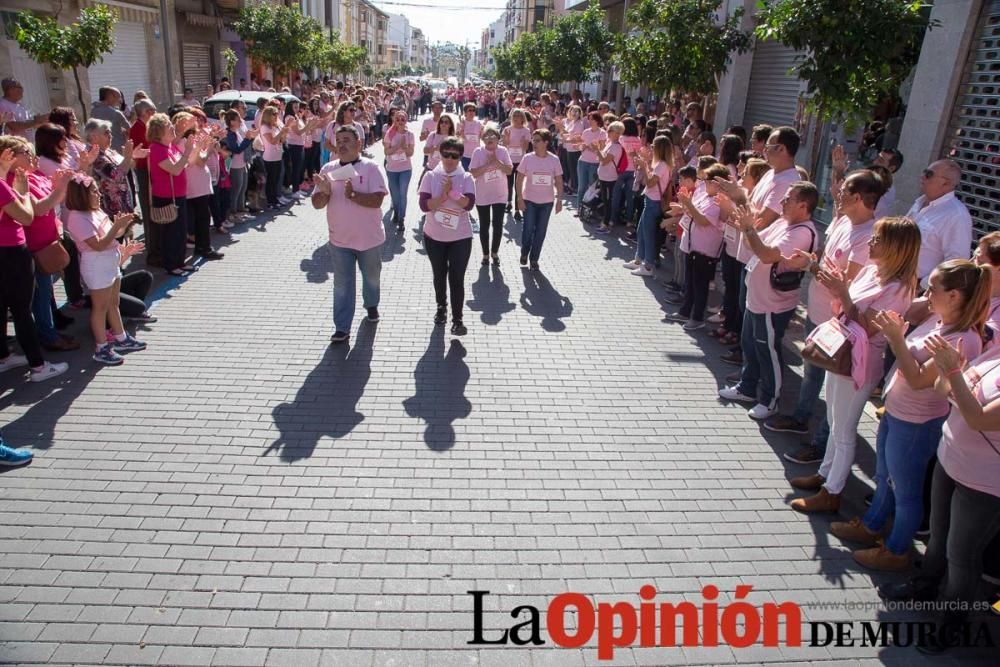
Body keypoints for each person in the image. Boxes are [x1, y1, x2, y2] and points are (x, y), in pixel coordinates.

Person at [806, 261, 986, 544]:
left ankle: (896, 550)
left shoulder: (962, 338)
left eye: (933, 290)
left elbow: (917, 379)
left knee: (905, 492)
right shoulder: (938, 323)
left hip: (916, 422)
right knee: (885, 477)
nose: (927, 295)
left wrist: (896, 339)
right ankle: (872, 526)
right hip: (898, 412)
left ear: (954, 296)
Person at [787, 216, 921, 516]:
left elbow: (867, 327)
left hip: (860, 362)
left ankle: (832, 492)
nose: (871, 243)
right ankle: (825, 475)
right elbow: (844, 310)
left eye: (878, 239)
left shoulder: (899, 287)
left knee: (844, 430)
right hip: (841, 353)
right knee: (834, 422)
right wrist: (836, 287)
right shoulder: (872, 271)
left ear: (896, 247)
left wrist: (843, 293)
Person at [764, 171, 882, 457]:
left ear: (857, 197)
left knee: (834, 390)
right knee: (812, 373)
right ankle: (801, 417)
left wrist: (811, 266)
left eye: (843, 191)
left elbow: (846, 285)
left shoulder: (870, 236)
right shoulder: (843, 220)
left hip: (841, 325)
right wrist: (814, 262)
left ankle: (821, 445)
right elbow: (826, 258)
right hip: (818, 314)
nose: (836, 194)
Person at [719, 182, 818, 420]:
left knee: (767, 352)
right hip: (757, 299)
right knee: (750, 346)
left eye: (788, 199)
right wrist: (746, 228)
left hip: (773, 304)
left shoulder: (803, 232)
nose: (782, 203)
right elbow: (756, 241)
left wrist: (749, 230)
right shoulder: (784, 223)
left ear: (803, 206)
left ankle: (770, 400)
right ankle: (746, 388)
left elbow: (766, 254)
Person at [311, 125, 387, 345]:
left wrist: (353, 195)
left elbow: (377, 201)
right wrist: (324, 192)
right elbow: (317, 204)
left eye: (347, 139)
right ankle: (342, 327)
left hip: (369, 240)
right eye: (339, 140)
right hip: (339, 240)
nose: (342, 144)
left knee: (371, 279)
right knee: (342, 284)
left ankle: (371, 304)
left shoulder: (371, 168)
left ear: (359, 144)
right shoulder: (328, 168)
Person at [63, 175, 146, 365]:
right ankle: (101, 348)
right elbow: (98, 245)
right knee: (100, 308)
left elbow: (112, 236)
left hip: (110, 260)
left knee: (113, 303)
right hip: (96, 264)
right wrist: (116, 227)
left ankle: (121, 337)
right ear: (81, 194)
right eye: (93, 191)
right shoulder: (77, 217)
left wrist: (122, 227)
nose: (98, 194)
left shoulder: (96, 211)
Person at [10, 136, 77, 353]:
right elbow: (39, 208)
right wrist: (61, 189)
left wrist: (58, 189)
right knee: (40, 295)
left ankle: (49, 330)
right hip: (33, 247)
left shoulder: (35, 174)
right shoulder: (15, 180)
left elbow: (50, 200)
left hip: (47, 241)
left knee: (46, 292)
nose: (30, 155)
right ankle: (47, 336)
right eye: (24, 152)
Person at [418, 136, 476, 335]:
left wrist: (452, 193)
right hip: (434, 236)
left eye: (455, 156)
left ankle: (458, 319)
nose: (450, 159)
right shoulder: (431, 177)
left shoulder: (466, 177)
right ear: (440, 155)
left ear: (460, 157)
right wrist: (442, 196)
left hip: (460, 237)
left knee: (457, 278)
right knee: (439, 274)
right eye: (446, 155)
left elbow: (468, 204)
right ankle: (441, 307)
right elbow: (424, 206)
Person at [664, 163, 730, 327]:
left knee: (700, 286)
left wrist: (689, 205)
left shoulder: (718, 201)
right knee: (690, 282)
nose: (703, 183)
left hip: (705, 250)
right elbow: (692, 213)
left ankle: (697, 318)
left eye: (707, 180)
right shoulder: (705, 196)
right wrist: (683, 206)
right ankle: (685, 312)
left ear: (717, 183)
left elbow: (702, 220)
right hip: (692, 246)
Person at [146, 112, 202, 276]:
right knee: (171, 232)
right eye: (168, 127)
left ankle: (180, 262)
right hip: (166, 196)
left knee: (180, 230)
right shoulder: (157, 149)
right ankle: (171, 265)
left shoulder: (169, 146)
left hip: (178, 194)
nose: (172, 128)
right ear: (159, 131)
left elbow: (184, 162)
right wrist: (187, 152)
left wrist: (193, 145)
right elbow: (176, 169)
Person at [905, 159, 972, 289]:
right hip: (895, 279)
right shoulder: (920, 202)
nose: (922, 176)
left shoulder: (957, 215)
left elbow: (956, 262)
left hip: (916, 287)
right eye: (924, 172)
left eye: (929, 174)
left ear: (946, 183)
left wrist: (923, 285)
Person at [625, 135, 673, 277]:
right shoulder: (660, 164)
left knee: (648, 234)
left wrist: (644, 167)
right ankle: (639, 259)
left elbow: (650, 182)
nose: (651, 148)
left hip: (654, 202)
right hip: (651, 200)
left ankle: (648, 265)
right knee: (641, 231)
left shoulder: (662, 165)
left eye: (654, 147)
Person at [515, 129, 563, 271]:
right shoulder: (527, 158)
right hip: (529, 200)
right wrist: (519, 198)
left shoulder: (554, 159)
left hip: (546, 203)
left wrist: (559, 199)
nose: (534, 143)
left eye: (537, 140)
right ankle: (524, 252)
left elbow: (559, 180)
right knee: (528, 229)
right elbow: (519, 179)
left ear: (546, 142)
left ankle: (534, 259)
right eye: (533, 140)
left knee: (540, 232)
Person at [468, 126, 512, 265]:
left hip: (500, 194)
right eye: (486, 136)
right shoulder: (478, 152)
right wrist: (487, 165)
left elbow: (509, 170)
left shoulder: (503, 151)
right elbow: (473, 173)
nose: (489, 138)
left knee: (498, 224)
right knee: (484, 225)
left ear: (498, 139)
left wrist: (497, 162)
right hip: (483, 194)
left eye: (493, 135)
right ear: (483, 139)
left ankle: (495, 253)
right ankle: (485, 254)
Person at [129, 99, 159, 265]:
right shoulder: (138, 128)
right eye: (152, 111)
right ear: (146, 112)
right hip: (144, 170)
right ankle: (151, 244)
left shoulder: (144, 126)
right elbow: (140, 151)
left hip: (151, 169)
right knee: (148, 208)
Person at [383, 109, 414, 233]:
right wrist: (397, 146)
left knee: (403, 194)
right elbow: (386, 152)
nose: (400, 121)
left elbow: (411, 153)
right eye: (398, 119)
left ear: (406, 120)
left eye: (403, 119)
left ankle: (401, 219)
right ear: (394, 121)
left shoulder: (410, 134)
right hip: (392, 169)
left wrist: (405, 147)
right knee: (395, 195)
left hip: (405, 169)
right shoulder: (389, 134)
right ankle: (396, 211)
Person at [223, 109, 258, 220]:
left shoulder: (236, 132)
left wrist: (249, 137)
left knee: (243, 188)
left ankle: (241, 209)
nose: (241, 122)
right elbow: (236, 149)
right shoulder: (230, 134)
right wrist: (247, 139)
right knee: (236, 190)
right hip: (235, 166)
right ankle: (234, 212)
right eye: (238, 120)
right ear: (232, 122)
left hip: (242, 164)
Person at [501, 108, 531, 221]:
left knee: (518, 186)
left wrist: (523, 143)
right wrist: (507, 138)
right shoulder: (507, 129)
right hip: (509, 160)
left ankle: (517, 210)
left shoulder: (526, 131)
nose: (517, 118)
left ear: (523, 118)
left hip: (521, 161)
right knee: (508, 184)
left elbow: (526, 148)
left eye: (519, 116)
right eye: (515, 116)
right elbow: (504, 145)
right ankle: (508, 202)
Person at [259, 106, 290, 210]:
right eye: (274, 114)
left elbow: (281, 140)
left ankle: (275, 199)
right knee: (271, 180)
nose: (276, 116)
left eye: (277, 114)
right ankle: (270, 201)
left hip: (278, 156)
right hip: (269, 157)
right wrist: (281, 133)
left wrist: (284, 132)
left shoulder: (275, 126)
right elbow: (272, 141)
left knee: (276, 179)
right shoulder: (265, 127)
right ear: (268, 115)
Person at [575, 111, 606, 212]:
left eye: (592, 119)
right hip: (583, 161)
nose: (590, 121)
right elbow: (582, 147)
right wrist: (582, 146)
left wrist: (589, 147)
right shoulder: (586, 132)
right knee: (581, 187)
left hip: (594, 162)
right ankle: (579, 208)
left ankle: (589, 209)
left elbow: (601, 149)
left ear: (597, 120)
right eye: (589, 119)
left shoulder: (602, 133)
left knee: (591, 187)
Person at [90, 87, 130, 152]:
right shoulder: (116, 113)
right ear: (111, 96)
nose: (120, 101)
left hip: (99, 149)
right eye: (118, 97)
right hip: (118, 149)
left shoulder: (93, 111)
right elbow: (130, 130)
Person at [457, 102, 482, 172]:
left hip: (476, 154)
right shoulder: (460, 123)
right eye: (469, 110)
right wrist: (462, 129)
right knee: (465, 175)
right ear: (465, 112)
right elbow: (457, 137)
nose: (472, 112)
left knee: (474, 176)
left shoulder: (479, 124)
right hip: (464, 155)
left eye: (473, 110)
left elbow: (482, 137)